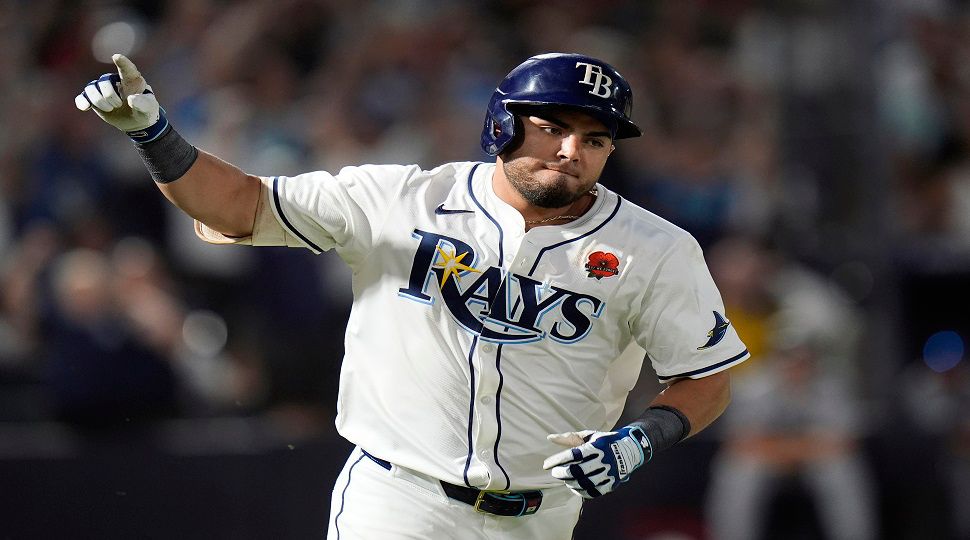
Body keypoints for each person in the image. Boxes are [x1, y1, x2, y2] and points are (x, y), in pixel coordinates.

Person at [76, 51, 750, 539]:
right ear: (504, 124)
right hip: (399, 500)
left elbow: (708, 375)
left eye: (595, 138)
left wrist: (642, 437)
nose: (573, 149)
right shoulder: (402, 199)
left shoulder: (655, 248)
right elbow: (236, 206)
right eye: (553, 127)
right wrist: (153, 134)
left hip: (540, 516)